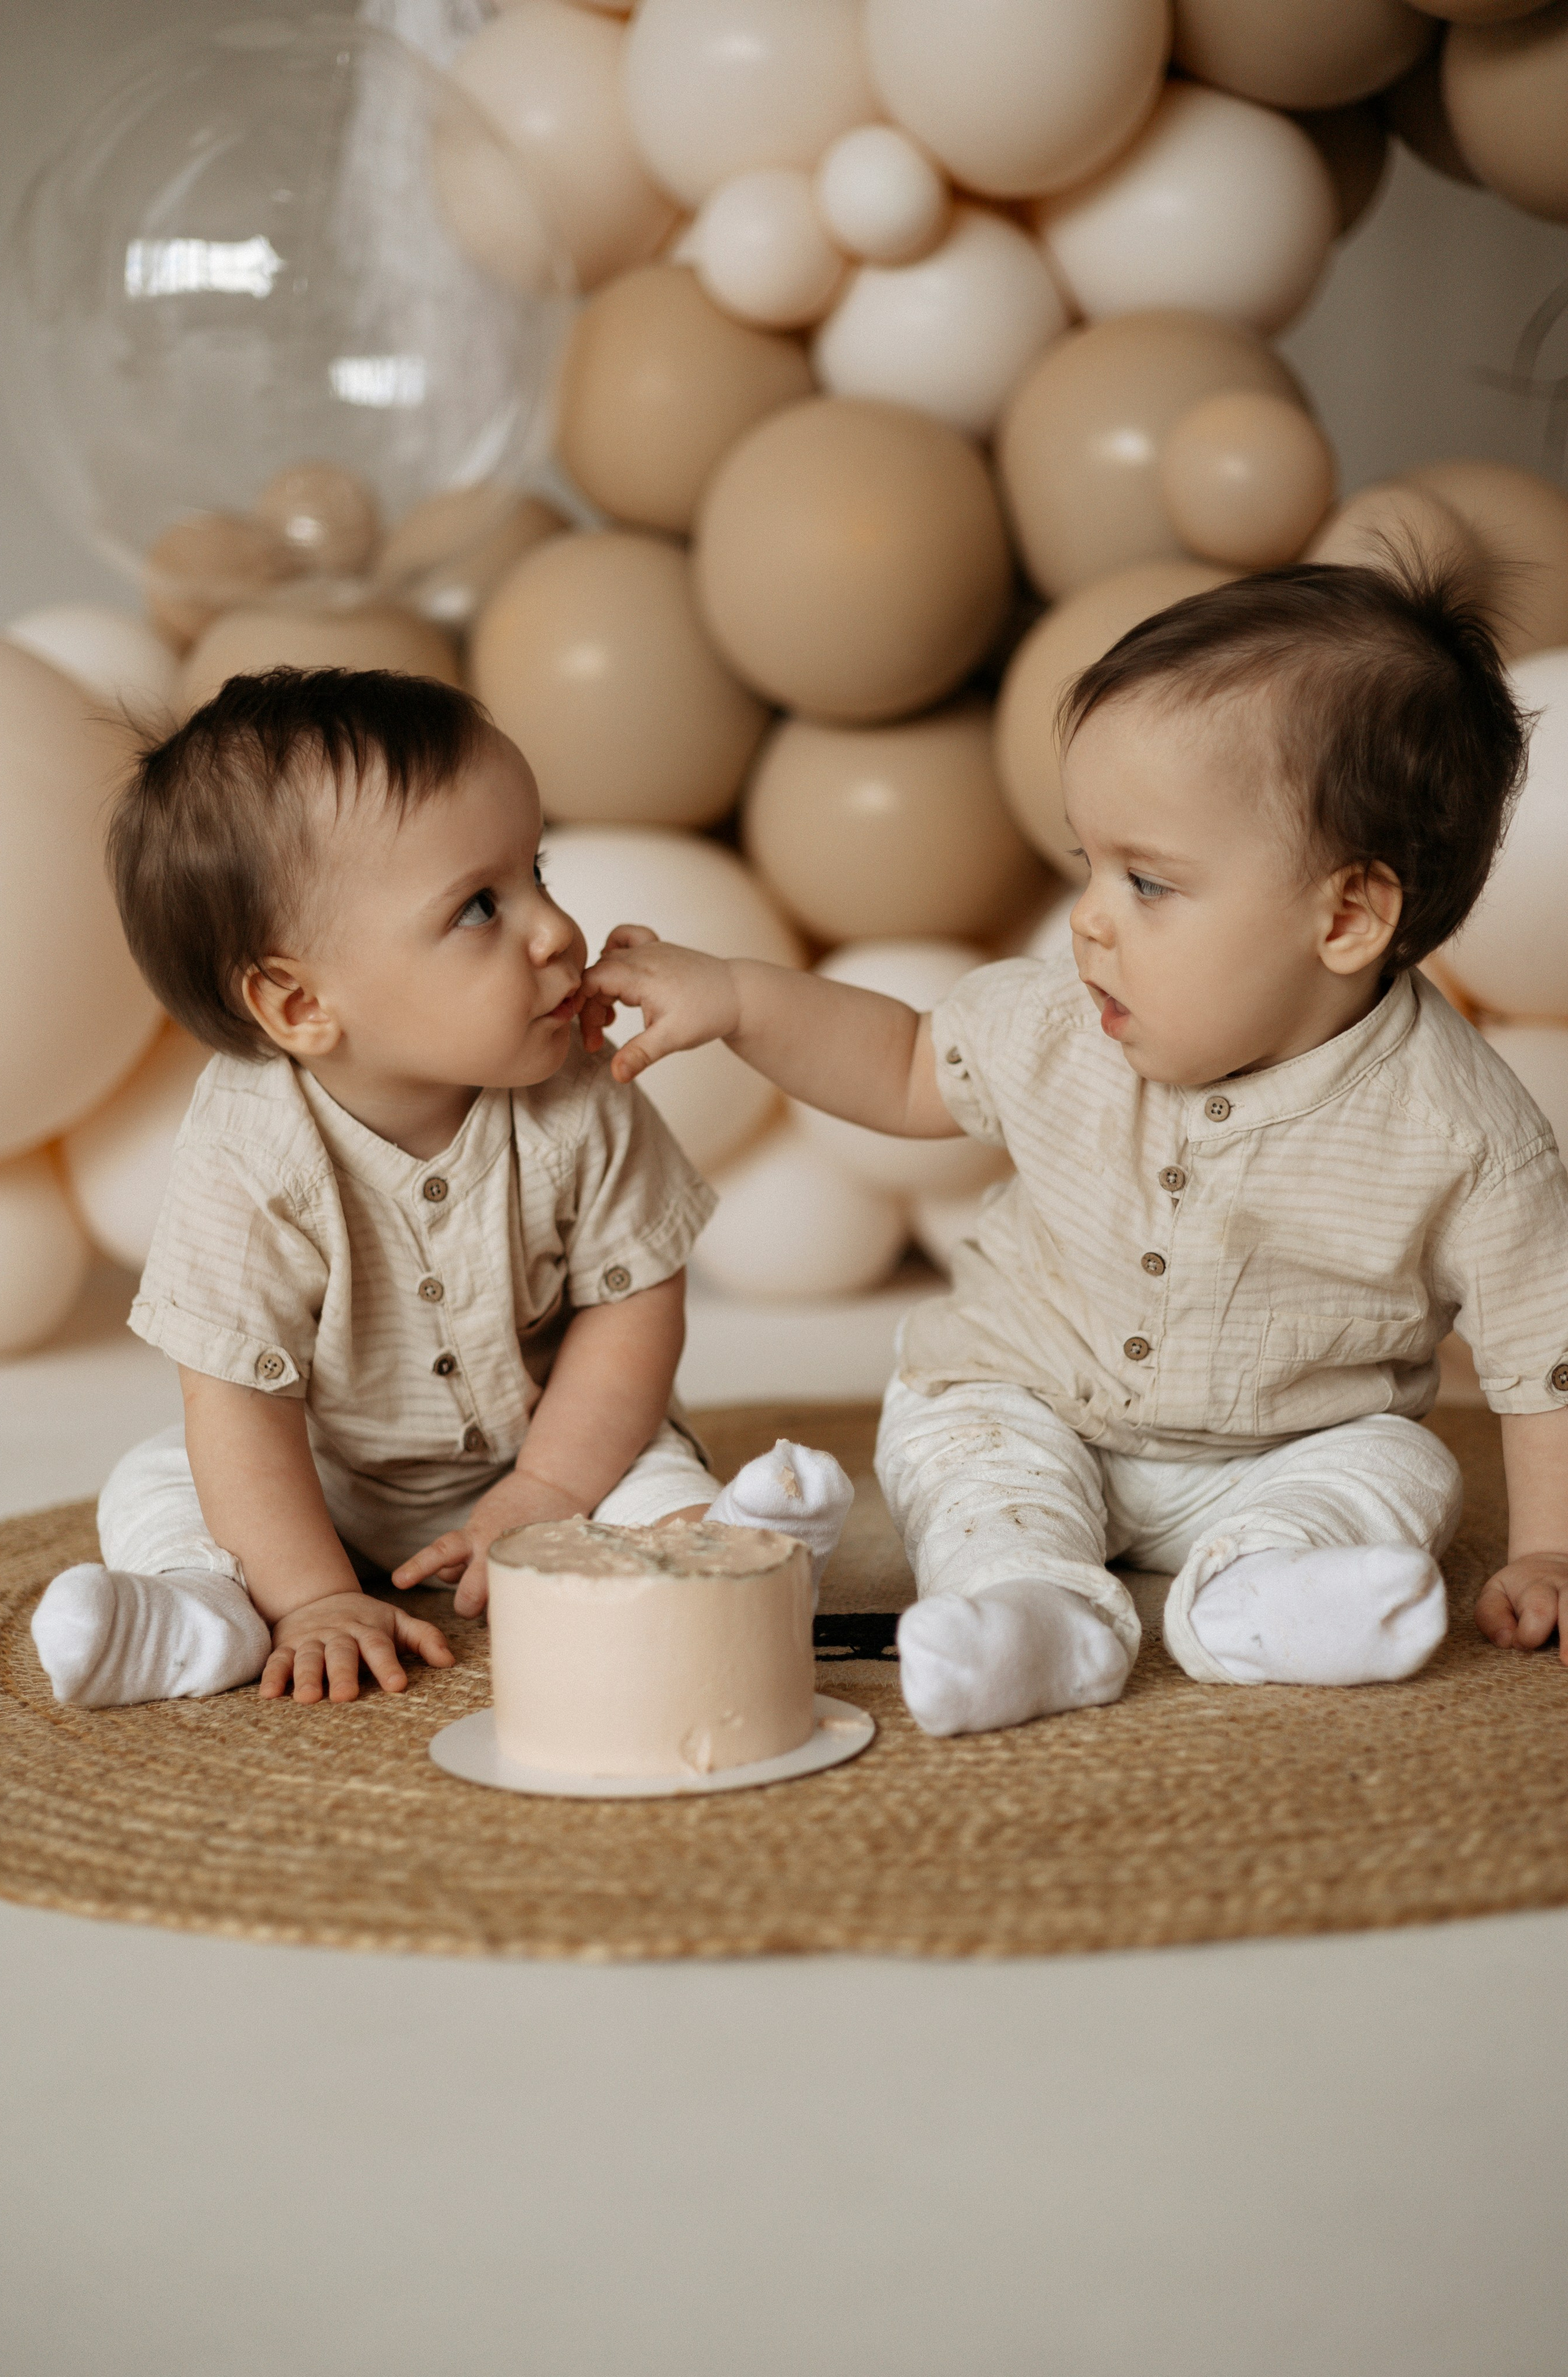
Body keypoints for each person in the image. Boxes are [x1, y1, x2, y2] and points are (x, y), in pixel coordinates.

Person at [581, 559, 1568, 1737]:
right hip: (1029, 1395)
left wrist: (1552, 1545)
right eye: (1086, 863)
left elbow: (1540, 1353)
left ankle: (1259, 1593)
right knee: (963, 1444)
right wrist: (743, 999)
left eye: (1148, 881)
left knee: (1407, 1473)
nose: (1088, 918)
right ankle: (1033, 1609)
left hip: (1285, 1446)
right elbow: (903, 1063)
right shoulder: (1065, 1019)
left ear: (1347, 918)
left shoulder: (1462, 1131)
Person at [31, 670, 850, 1709]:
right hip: (317, 1479)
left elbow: (633, 1300)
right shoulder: (250, 1149)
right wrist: (315, 1594)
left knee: (654, 1472)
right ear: (299, 1003)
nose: (555, 928)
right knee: (163, 1480)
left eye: (538, 872)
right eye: (479, 905)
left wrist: (548, 1491)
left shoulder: (578, 1085)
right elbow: (240, 1399)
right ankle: (201, 1614)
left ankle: (727, 1564)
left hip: (561, 1440)